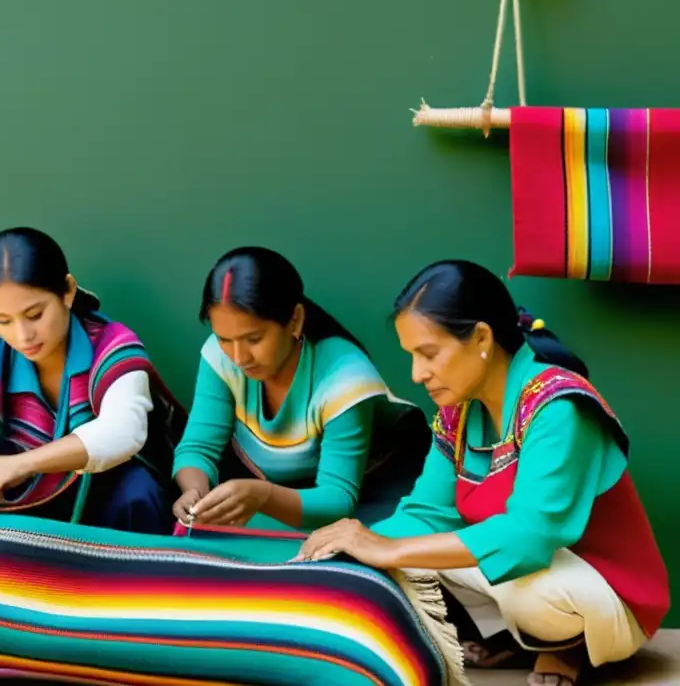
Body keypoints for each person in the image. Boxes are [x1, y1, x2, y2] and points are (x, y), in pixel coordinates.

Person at [296, 260, 670, 686]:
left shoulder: (558, 406)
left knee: (517, 586)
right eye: (412, 356)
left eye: (429, 354)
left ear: (480, 338)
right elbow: (426, 514)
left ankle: (567, 646)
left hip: (604, 596)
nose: (417, 374)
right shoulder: (458, 413)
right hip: (526, 575)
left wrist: (389, 551)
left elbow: (530, 538)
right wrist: (350, 549)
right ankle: (513, 641)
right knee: (400, 556)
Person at [0, 227, 179, 533]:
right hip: (30, 505)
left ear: (67, 291)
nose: (22, 335)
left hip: (105, 505)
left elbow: (124, 431)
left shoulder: (111, 346)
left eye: (35, 314)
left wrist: (20, 464)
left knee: (138, 490)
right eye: (3, 321)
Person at [171, 247, 430, 533]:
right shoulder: (220, 358)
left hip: (373, 499)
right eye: (223, 339)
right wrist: (194, 492)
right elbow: (197, 447)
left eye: (254, 339)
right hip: (282, 495)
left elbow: (338, 499)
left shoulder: (345, 377)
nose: (239, 357)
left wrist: (262, 496)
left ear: (294, 320)